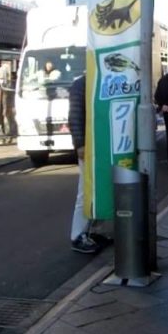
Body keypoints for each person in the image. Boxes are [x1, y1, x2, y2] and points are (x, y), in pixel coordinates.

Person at [68, 72, 99, 254]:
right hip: (88, 145)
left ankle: (91, 230)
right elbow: (75, 116)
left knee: (96, 190)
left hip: (100, 146)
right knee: (85, 191)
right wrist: (80, 144)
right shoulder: (81, 84)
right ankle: (78, 234)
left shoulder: (101, 79)